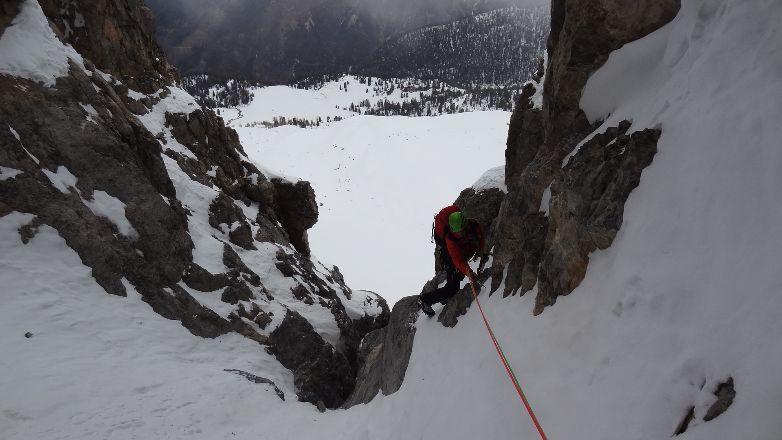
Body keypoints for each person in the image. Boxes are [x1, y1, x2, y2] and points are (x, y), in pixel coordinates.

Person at [419, 206, 485, 317]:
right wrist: (470, 273)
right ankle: (425, 300)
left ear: (465, 225)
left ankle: (444, 296)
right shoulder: (450, 238)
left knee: (458, 277)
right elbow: (457, 259)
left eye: (460, 231)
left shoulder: (474, 225)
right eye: (457, 232)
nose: (459, 234)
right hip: (448, 253)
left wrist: (482, 253)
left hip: (459, 249)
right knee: (453, 287)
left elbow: (481, 239)